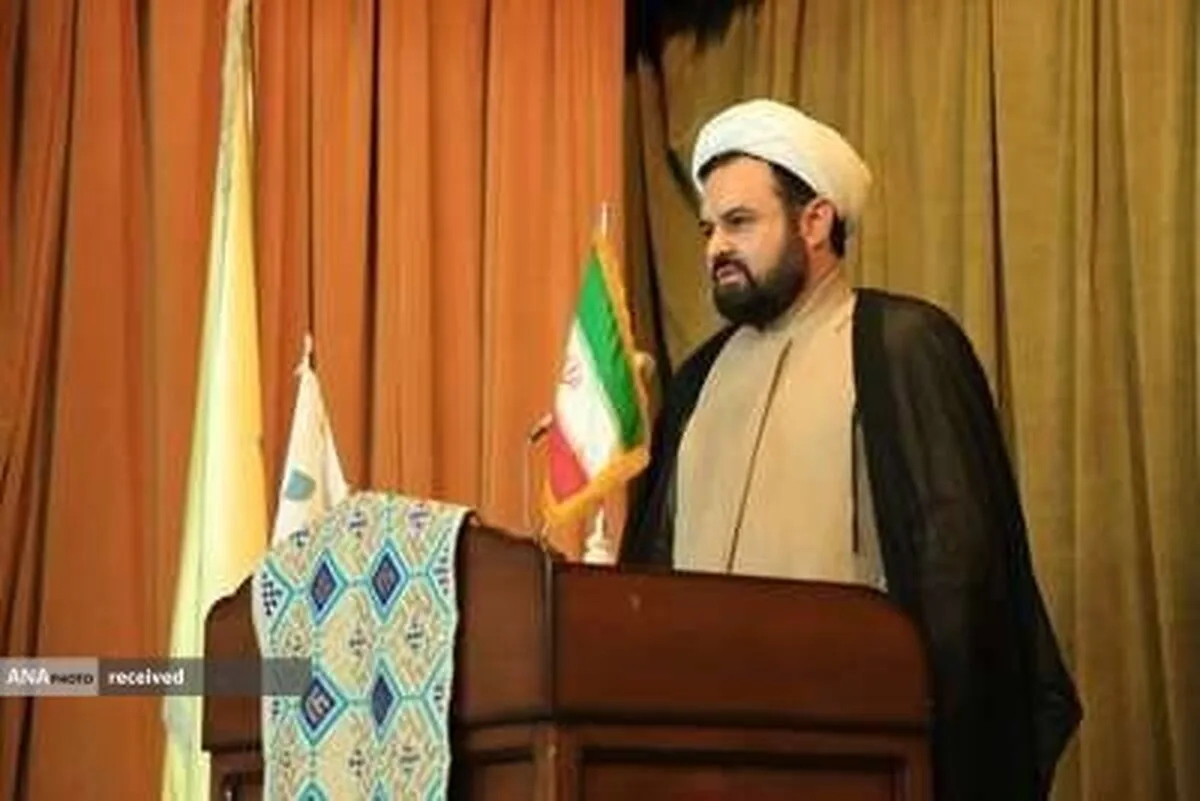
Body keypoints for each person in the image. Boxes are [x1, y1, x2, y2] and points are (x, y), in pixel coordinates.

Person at [620, 98, 1082, 801]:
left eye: (740, 222)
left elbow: (960, 578)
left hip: (856, 756)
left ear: (815, 221)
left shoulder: (899, 346)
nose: (715, 248)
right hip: (701, 764)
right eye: (709, 228)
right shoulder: (696, 381)